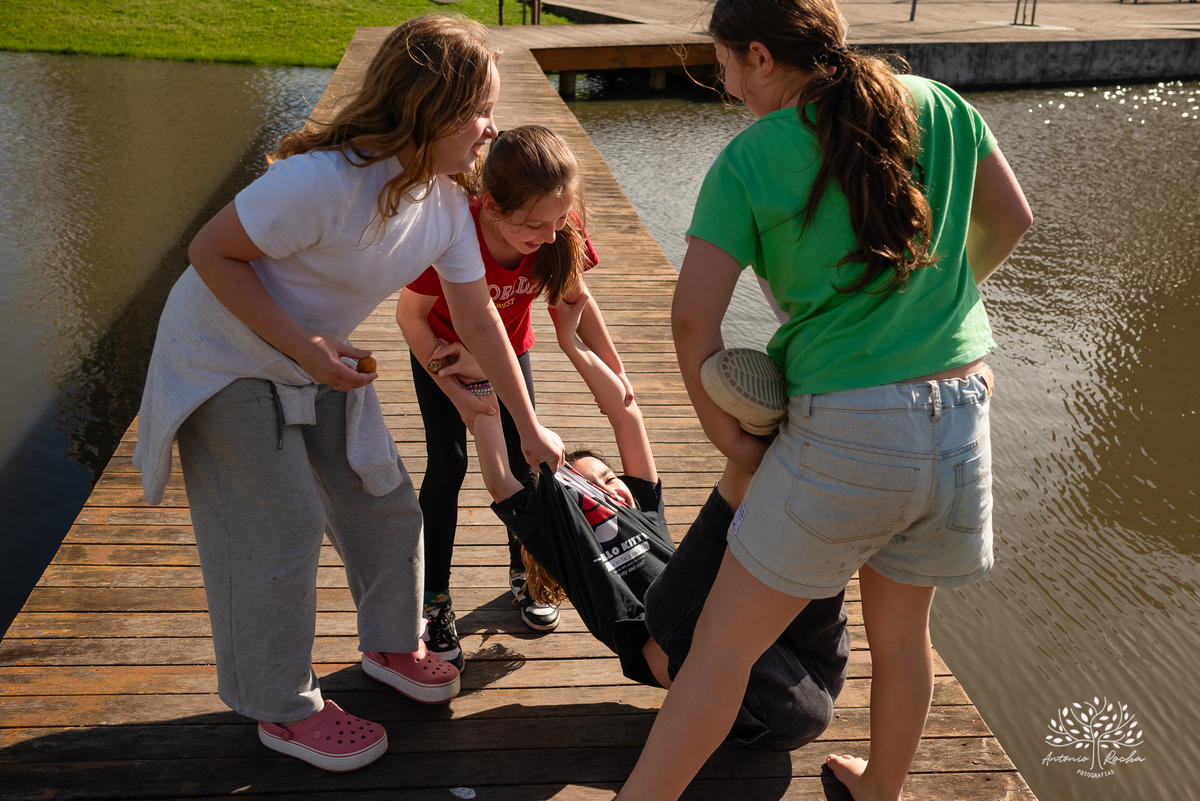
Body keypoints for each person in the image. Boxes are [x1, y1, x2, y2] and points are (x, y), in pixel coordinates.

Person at [617, 0, 1033, 798]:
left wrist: (727, 436)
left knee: (720, 648)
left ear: (764, 56)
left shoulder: (752, 157)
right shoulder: (940, 106)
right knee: (905, 640)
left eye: (729, 65)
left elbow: (691, 317)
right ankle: (880, 789)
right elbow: (1011, 218)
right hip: (963, 414)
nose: (731, 86)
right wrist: (934, 308)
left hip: (852, 428)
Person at [131, 16, 564, 773]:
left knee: (384, 501)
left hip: (316, 358)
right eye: (477, 112)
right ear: (427, 109)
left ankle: (393, 645)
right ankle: (282, 707)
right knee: (282, 526)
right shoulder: (319, 182)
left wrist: (528, 425)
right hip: (224, 354)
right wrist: (307, 346)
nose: (490, 129)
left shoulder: (442, 203)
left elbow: (476, 316)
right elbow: (209, 253)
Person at [435, 288, 850, 751]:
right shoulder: (565, 544)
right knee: (682, 589)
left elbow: (624, 412)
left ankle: (794, 450)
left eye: (609, 476)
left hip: (795, 661)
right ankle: (756, 448)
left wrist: (573, 342)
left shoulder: (645, 511)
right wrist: (482, 386)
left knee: (798, 559)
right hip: (712, 671)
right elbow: (499, 479)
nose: (611, 488)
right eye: (591, 486)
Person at [396, 125, 631, 668]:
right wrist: (454, 384)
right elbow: (409, 316)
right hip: (442, 352)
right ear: (490, 207)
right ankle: (434, 600)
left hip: (508, 351)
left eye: (557, 221)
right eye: (532, 225)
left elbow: (577, 298)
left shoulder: (556, 228)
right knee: (448, 465)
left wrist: (616, 373)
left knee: (527, 467)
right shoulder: (455, 232)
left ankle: (523, 576)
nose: (548, 236)